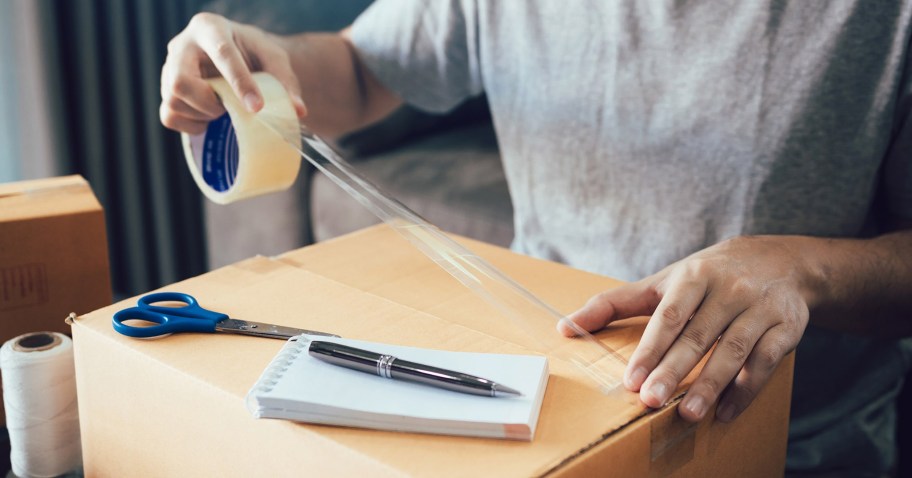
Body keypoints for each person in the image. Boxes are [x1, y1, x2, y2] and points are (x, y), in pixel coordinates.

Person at [160, 2, 912, 475]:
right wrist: (261, 59)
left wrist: (803, 269)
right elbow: (359, 73)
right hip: (547, 413)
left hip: (792, 440)